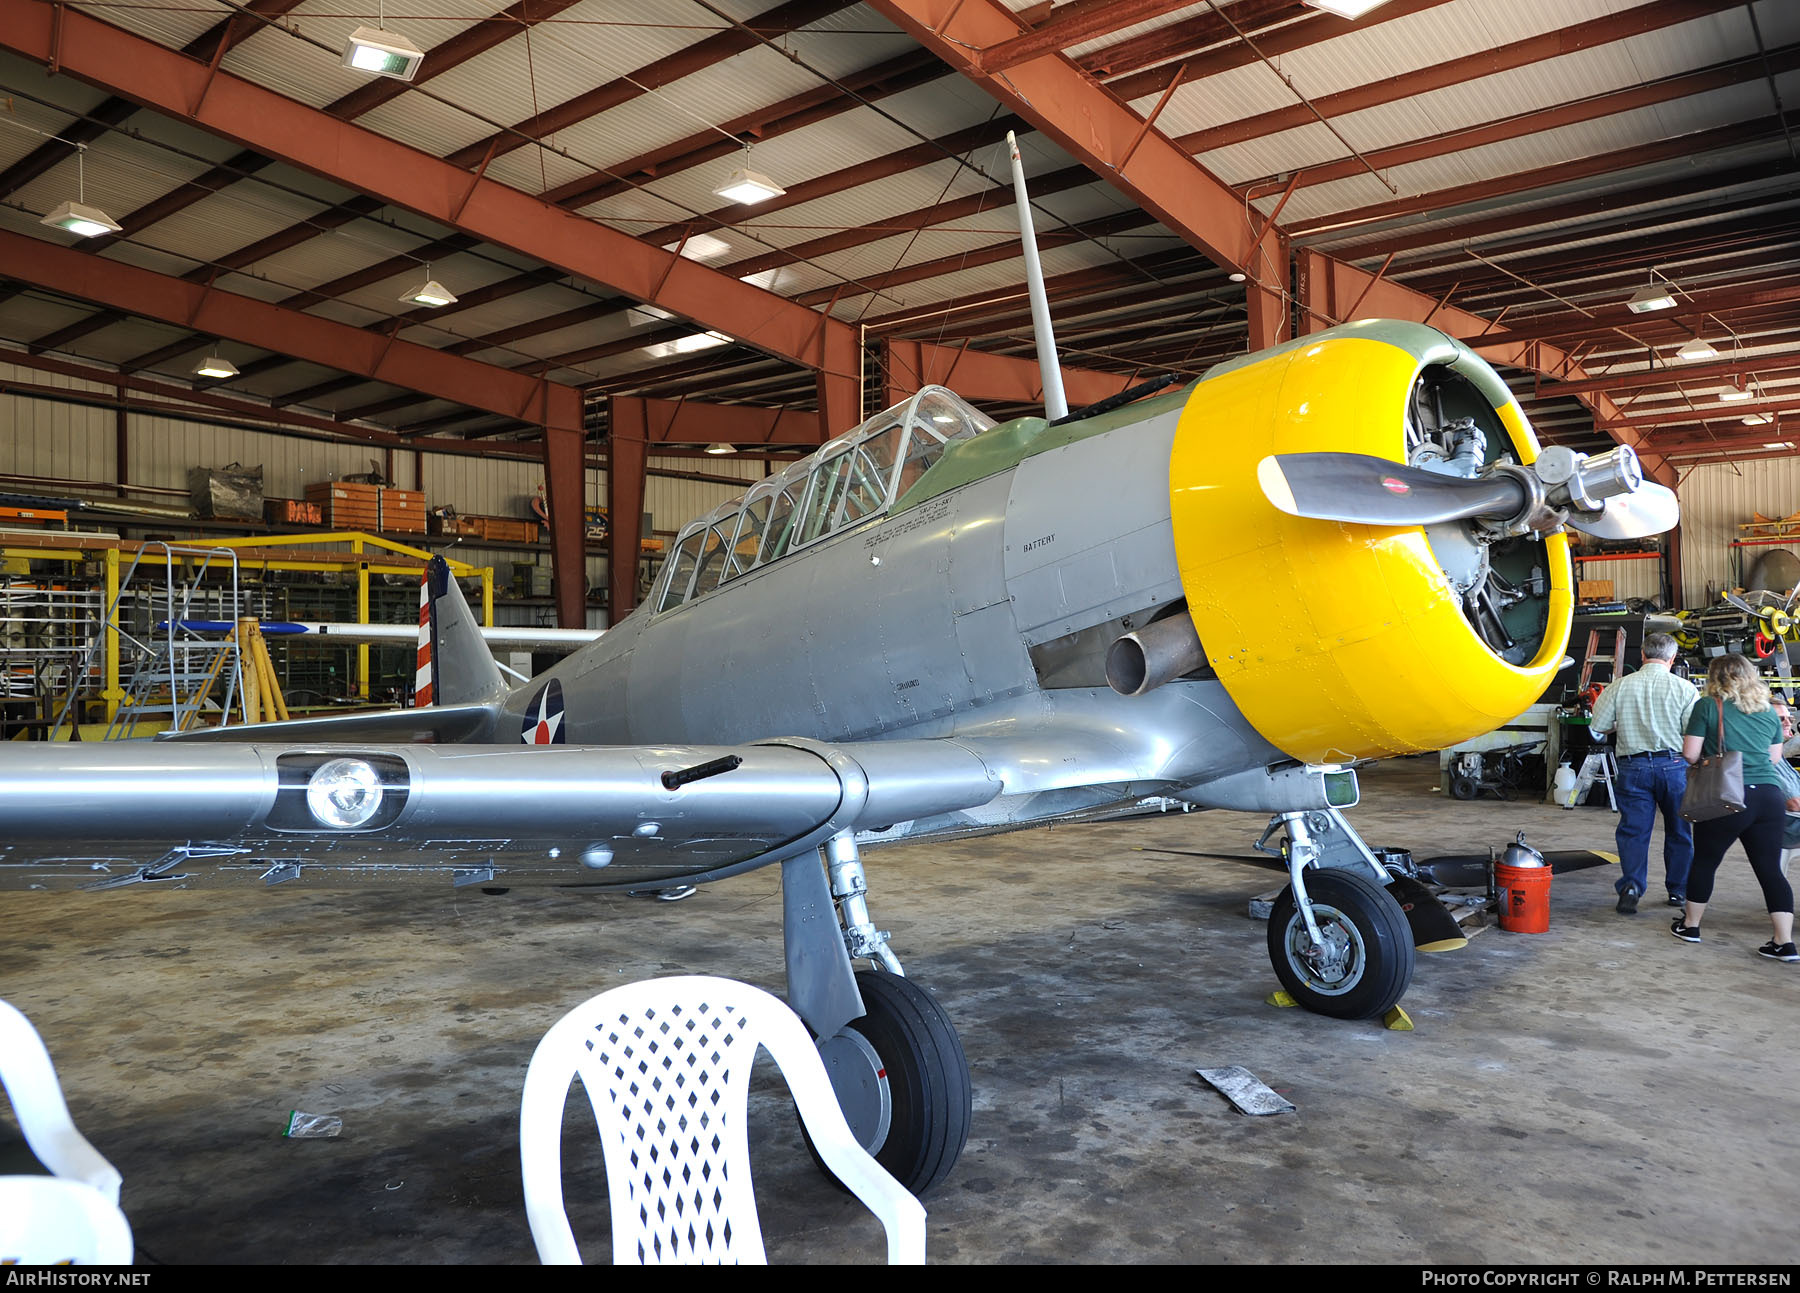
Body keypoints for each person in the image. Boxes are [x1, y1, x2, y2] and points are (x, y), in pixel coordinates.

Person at [1671, 654, 1798, 962]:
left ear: (1715, 677)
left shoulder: (1708, 706)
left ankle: (1691, 926)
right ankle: (1784, 943)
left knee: (1705, 860)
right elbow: (1774, 759)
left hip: (1726, 794)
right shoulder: (1768, 711)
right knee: (1770, 869)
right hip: (1768, 796)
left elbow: (1690, 754)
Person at [1588, 632, 1699, 914]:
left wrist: (1623, 721)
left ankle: (1632, 887)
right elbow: (1692, 733)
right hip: (1674, 767)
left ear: (1641, 655)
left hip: (1633, 767)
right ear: (1672, 659)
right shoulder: (1685, 689)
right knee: (1679, 831)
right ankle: (1678, 891)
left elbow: (1598, 725)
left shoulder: (1620, 686)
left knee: (1634, 831)